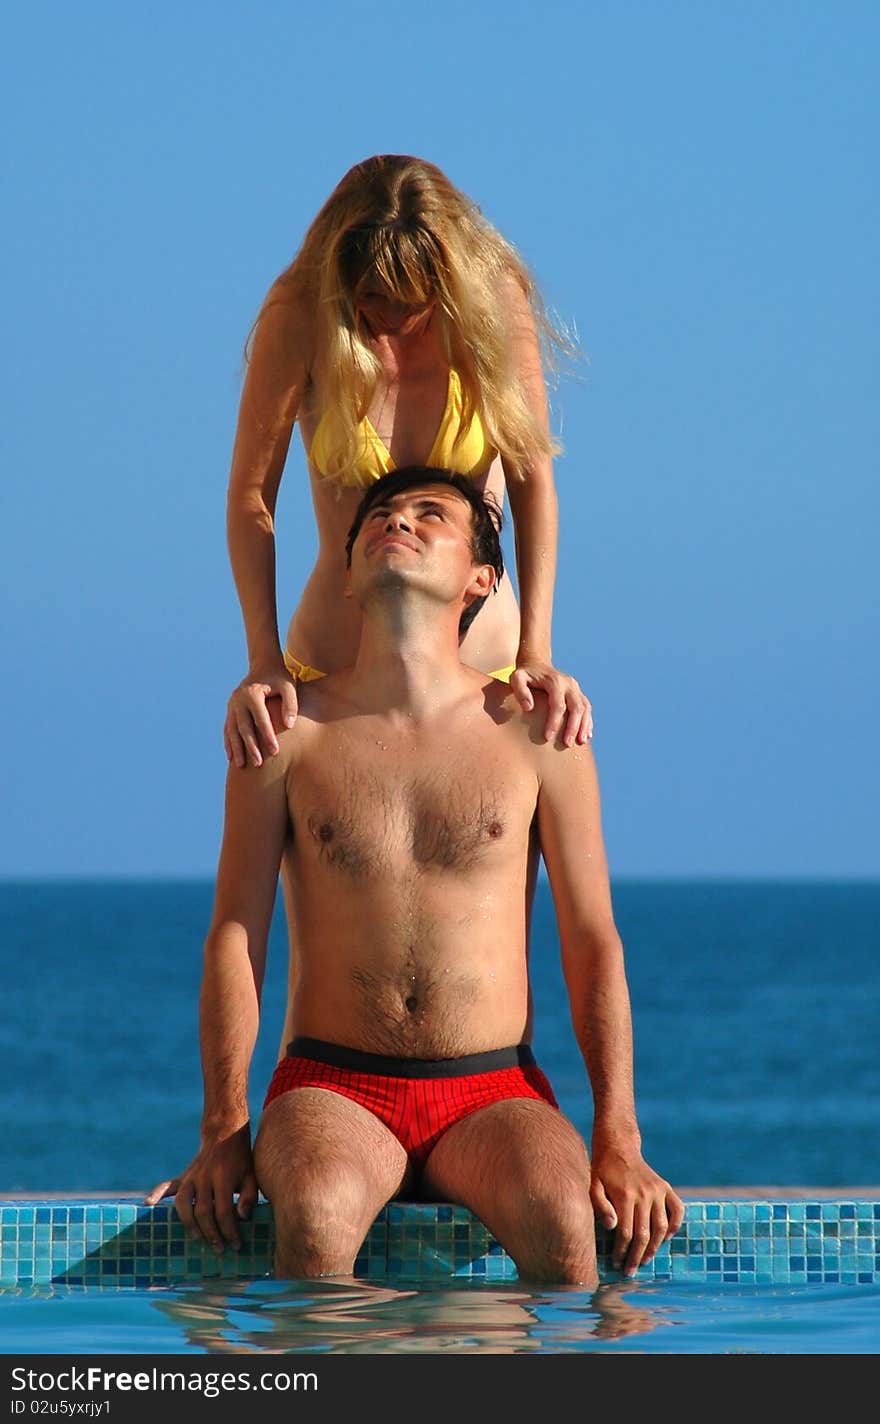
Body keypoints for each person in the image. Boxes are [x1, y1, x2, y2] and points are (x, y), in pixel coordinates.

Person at [147, 466, 683, 1287]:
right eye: (381, 516)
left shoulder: (537, 733)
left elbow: (591, 937)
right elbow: (235, 931)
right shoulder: (287, 732)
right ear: (350, 575)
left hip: (492, 1086)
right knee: (317, 1214)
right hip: (332, 1086)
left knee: (563, 1219)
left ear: (481, 578)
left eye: (432, 514)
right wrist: (225, 1127)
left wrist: (620, 1135)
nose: (399, 521)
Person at [223, 153, 593, 772]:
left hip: (491, 673)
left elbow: (533, 480)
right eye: (371, 299)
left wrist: (539, 649)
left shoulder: (495, 307)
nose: (391, 321)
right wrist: (262, 659)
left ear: (446, 281)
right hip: (330, 676)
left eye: (411, 303)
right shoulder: (301, 317)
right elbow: (251, 498)